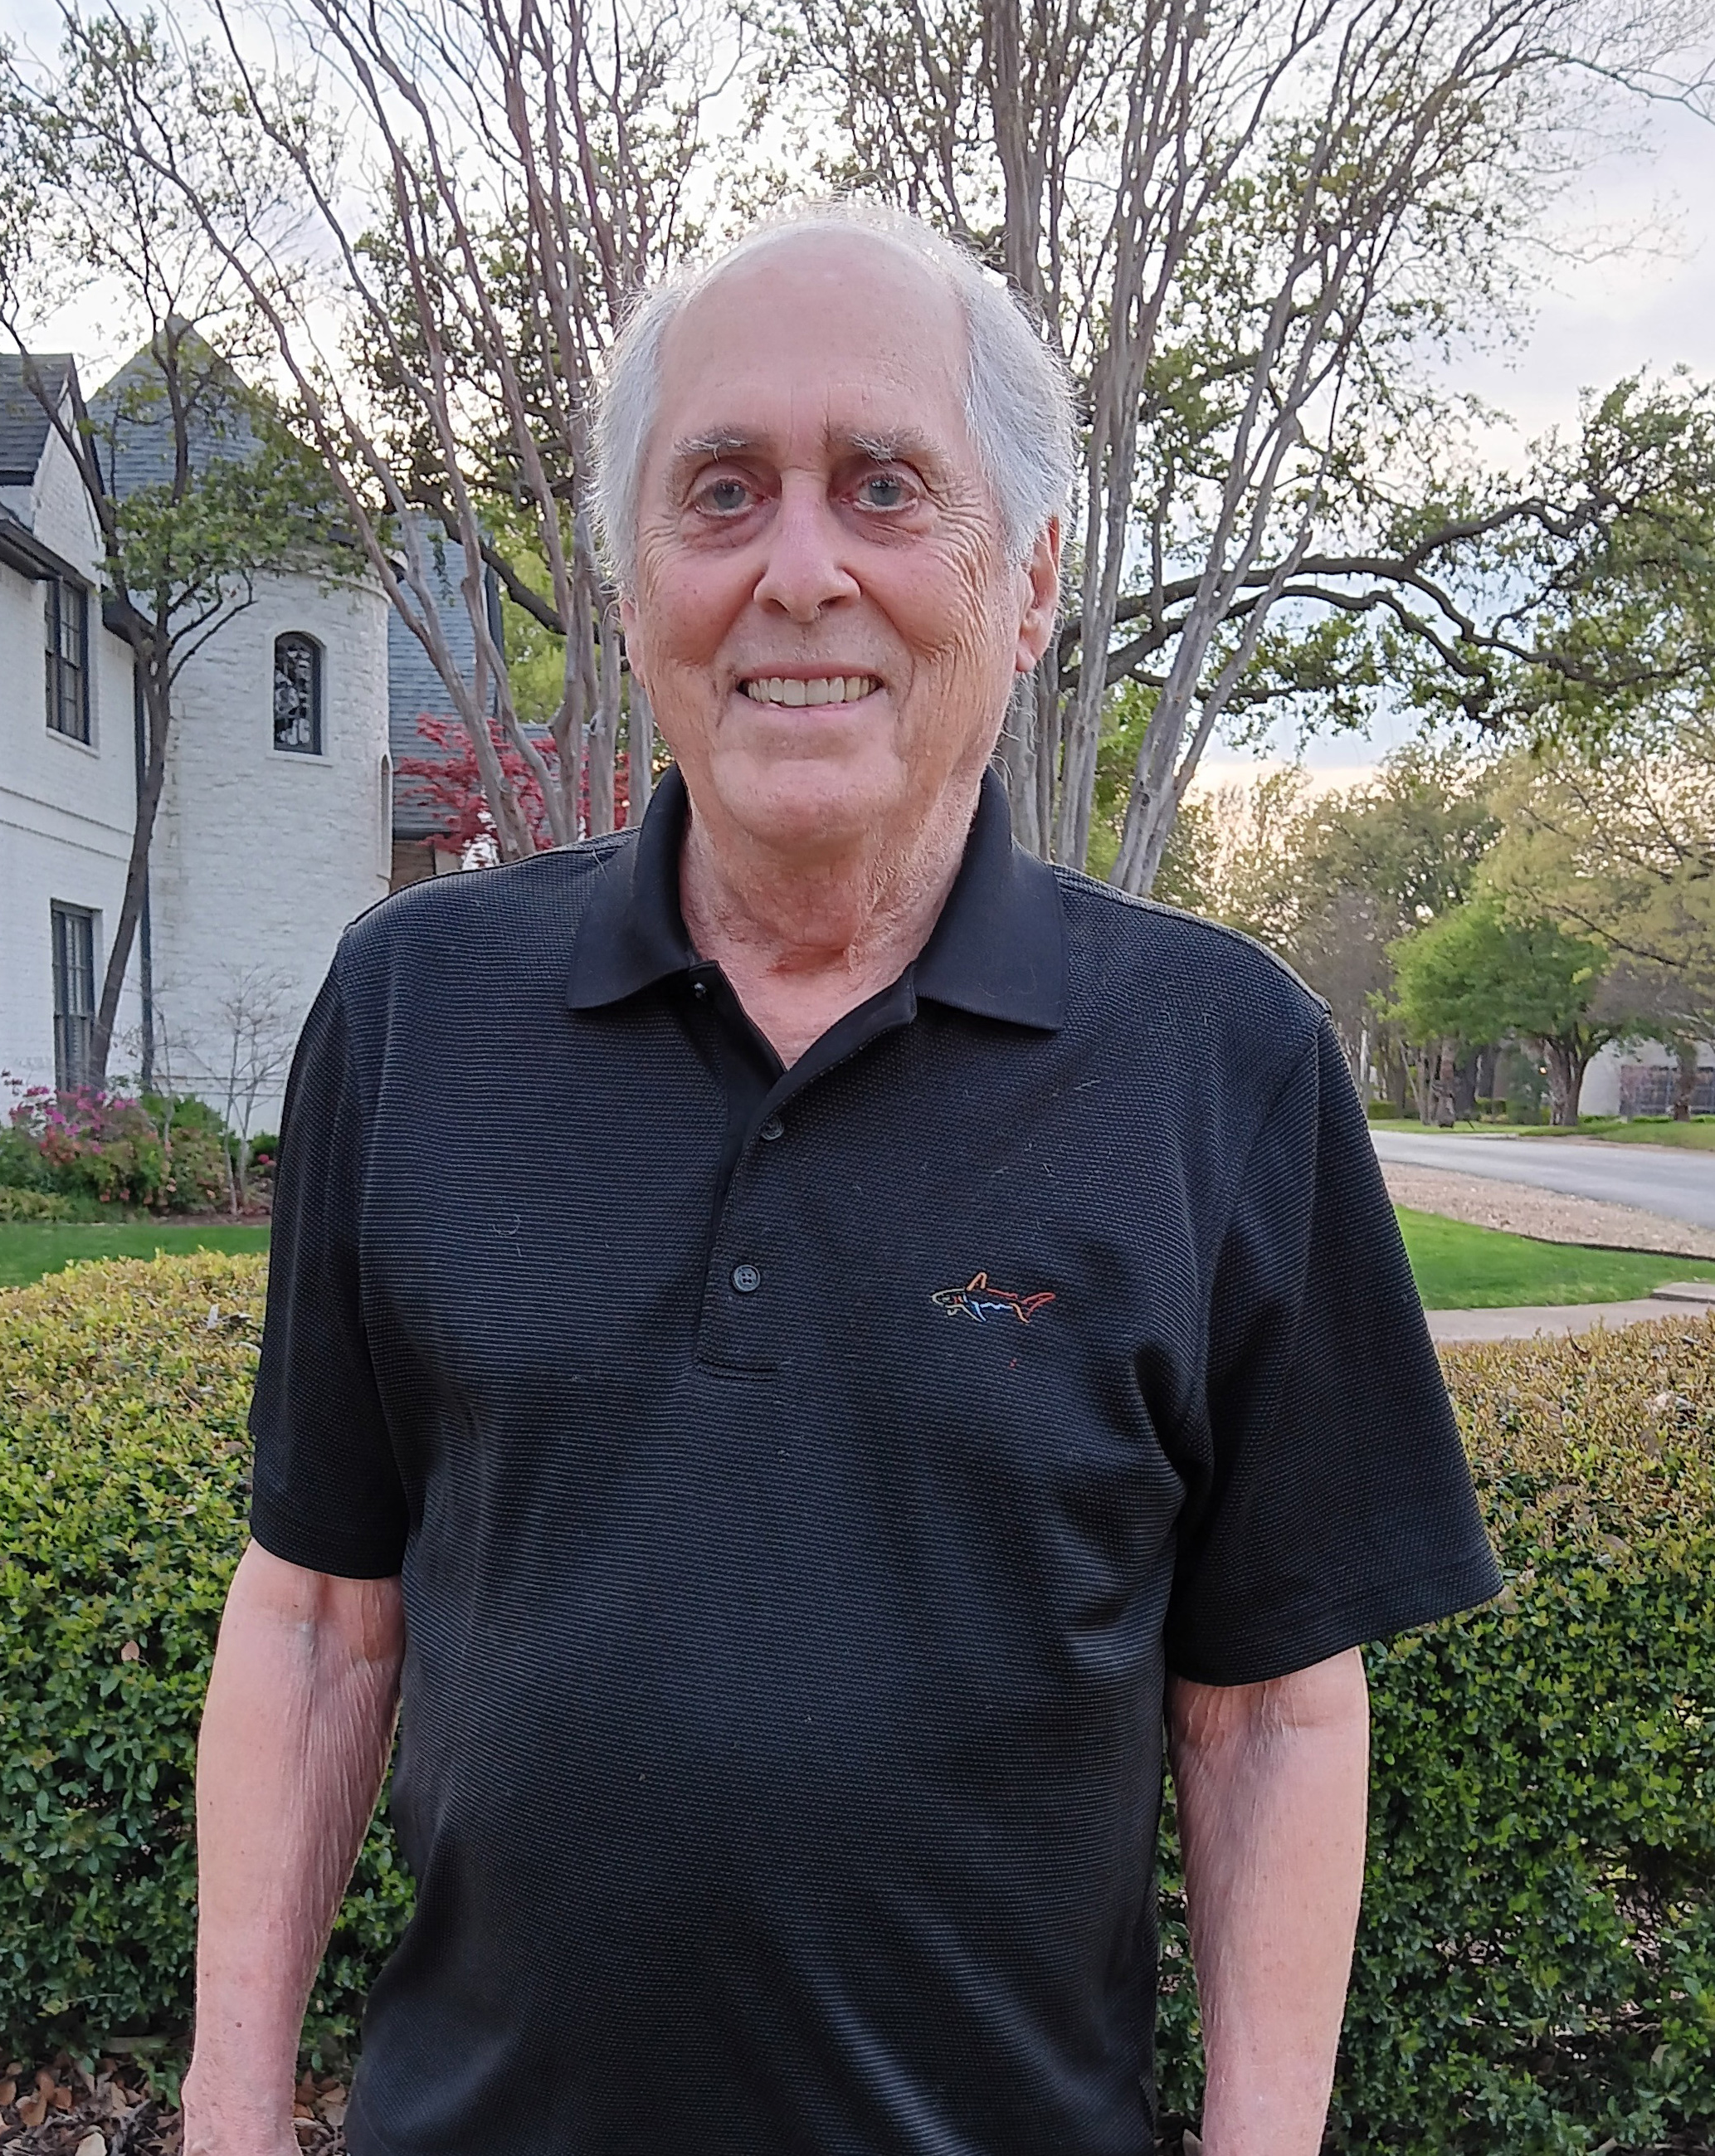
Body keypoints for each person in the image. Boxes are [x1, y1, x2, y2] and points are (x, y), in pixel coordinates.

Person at [183, 204, 1498, 2156]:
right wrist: (224, 2112)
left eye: (883, 486)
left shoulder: (1217, 1063)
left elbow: (1272, 1713)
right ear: (635, 582)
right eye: (720, 492)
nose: (797, 571)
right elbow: (315, 1616)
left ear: (1027, 582)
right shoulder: (415, 1007)